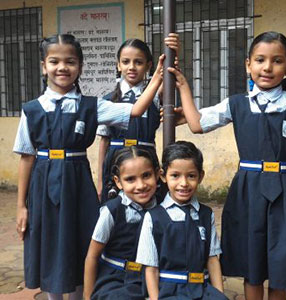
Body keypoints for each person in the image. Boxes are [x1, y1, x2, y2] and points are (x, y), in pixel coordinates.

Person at [169, 31, 286, 300]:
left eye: (277, 61)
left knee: (282, 262)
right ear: (248, 64)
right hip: (249, 191)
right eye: (260, 60)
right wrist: (183, 87)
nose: (267, 67)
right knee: (253, 262)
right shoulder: (237, 104)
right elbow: (197, 124)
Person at [14, 33, 164, 299]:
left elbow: (136, 110)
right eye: (54, 61)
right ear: (43, 66)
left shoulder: (92, 106)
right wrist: (21, 206)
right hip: (43, 184)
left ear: (80, 66)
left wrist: (158, 78)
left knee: (81, 239)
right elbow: (26, 157)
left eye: (70, 61)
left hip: (77, 183)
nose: (62, 67)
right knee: (50, 241)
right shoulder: (32, 109)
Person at [135, 141, 228, 300]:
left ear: (201, 176)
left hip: (201, 289)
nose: (183, 183)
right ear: (163, 176)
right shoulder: (153, 217)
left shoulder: (206, 214)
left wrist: (219, 294)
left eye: (191, 176)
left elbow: (212, 259)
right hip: (169, 291)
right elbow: (150, 268)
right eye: (175, 176)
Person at [97, 35, 179, 203]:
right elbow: (104, 142)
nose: (131, 67)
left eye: (138, 62)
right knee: (116, 212)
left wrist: (173, 53)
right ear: (118, 65)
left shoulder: (154, 96)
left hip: (146, 159)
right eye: (126, 62)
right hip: (115, 161)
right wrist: (99, 182)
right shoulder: (107, 100)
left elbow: (167, 76)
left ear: (149, 66)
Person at [84, 146, 160, 300]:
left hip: (153, 278)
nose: (141, 185)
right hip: (117, 280)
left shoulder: (164, 208)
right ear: (118, 182)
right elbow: (92, 256)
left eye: (146, 175)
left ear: (158, 174)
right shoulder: (112, 211)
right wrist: (88, 297)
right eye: (130, 179)